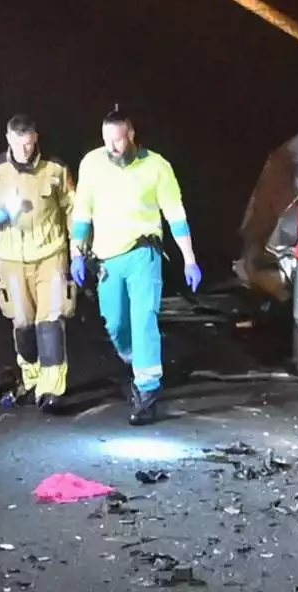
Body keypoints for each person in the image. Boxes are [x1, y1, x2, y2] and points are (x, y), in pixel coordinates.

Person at [69, 110, 202, 425]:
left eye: (117, 141)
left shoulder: (157, 166)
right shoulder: (92, 163)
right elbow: (82, 211)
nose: (111, 148)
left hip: (145, 252)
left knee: (144, 318)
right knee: (115, 322)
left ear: (131, 136)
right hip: (107, 257)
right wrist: (76, 253)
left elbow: (175, 214)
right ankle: (134, 359)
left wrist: (189, 259)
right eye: (106, 141)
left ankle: (146, 392)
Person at [0, 114, 76, 412]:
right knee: (24, 322)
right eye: (19, 144)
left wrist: (78, 250)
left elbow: (73, 208)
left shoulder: (55, 169)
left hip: (50, 255)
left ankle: (51, 390)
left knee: (51, 320)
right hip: (12, 259)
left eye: (29, 144)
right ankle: (31, 377)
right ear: (9, 140)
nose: (25, 150)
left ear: (36, 139)